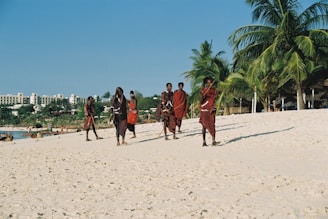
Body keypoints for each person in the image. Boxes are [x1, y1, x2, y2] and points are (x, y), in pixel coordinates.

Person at [199, 77, 217, 146]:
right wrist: (203, 96)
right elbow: (200, 101)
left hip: (211, 109)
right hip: (204, 110)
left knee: (212, 125)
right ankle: (204, 141)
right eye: (208, 82)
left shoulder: (214, 91)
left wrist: (214, 106)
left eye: (211, 82)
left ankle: (213, 140)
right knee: (204, 126)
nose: (210, 84)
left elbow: (215, 99)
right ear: (206, 83)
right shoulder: (202, 90)